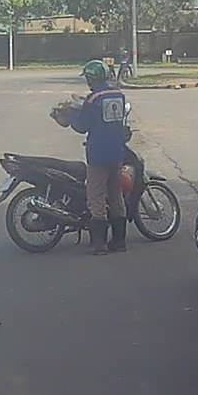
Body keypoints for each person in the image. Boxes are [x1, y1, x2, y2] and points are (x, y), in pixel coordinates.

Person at [72, 59, 129, 255]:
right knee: (116, 196)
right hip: (117, 152)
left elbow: (82, 126)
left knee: (96, 198)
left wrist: (71, 118)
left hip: (98, 155)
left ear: (92, 79)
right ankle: (119, 241)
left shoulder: (93, 99)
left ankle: (99, 244)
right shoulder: (119, 95)